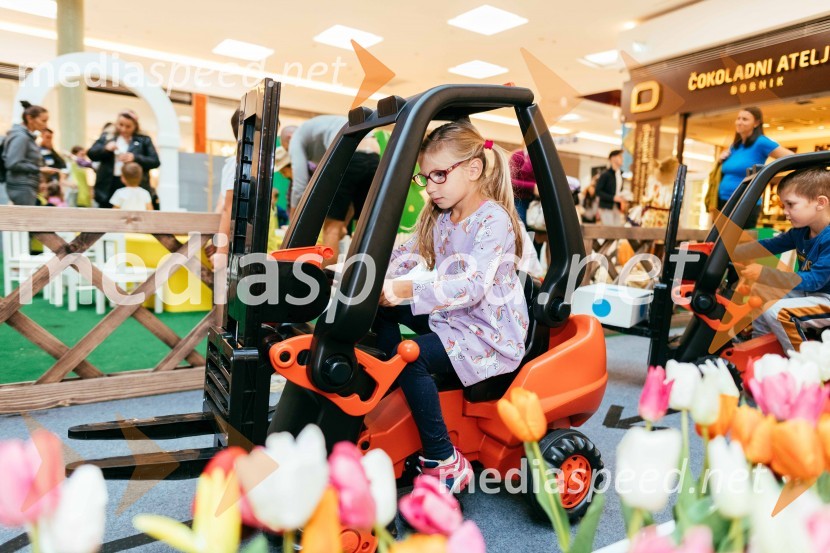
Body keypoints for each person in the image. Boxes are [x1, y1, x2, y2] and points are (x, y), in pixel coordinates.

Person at [374, 120, 528, 493]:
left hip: (489, 334)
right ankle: (391, 386)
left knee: (410, 359)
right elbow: (404, 252)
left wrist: (405, 288)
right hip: (454, 319)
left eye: (439, 175)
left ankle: (443, 458)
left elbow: (473, 286)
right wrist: (368, 270)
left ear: (473, 169)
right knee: (380, 312)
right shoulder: (442, 216)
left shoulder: (494, 220)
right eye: (425, 177)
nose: (429, 187)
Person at [738, 168, 830, 353]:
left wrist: (765, 274)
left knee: (780, 312)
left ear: (820, 203)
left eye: (791, 204)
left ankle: (803, 361)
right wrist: (729, 252)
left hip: (826, 297)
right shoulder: (800, 231)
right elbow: (770, 245)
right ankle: (761, 350)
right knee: (761, 293)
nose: (785, 212)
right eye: (784, 205)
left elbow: (815, 281)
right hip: (815, 294)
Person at [287, 115, 380, 267]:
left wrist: (293, 221)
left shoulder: (296, 138)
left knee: (331, 227)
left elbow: (300, 184)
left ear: (289, 137)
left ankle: (325, 276)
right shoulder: (318, 131)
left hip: (351, 152)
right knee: (365, 222)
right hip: (374, 155)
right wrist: (345, 223)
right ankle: (365, 273)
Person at [717, 107, 793, 228]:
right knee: (721, 238)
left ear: (756, 123)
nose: (740, 122)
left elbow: (791, 158)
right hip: (724, 200)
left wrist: (769, 172)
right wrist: (720, 159)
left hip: (745, 202)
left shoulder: (761, 142)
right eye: (738, 118)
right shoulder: (735, 146)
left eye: (745, 119)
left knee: (740, 239)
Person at [88, 110, 160, 209]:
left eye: (128, 126)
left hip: (133, 185)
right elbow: (91, 154)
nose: (123, 129)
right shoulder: (107, 137)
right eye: (120, 125)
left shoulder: (144, 140)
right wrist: (105, 149)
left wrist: (135, 157)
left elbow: (155, 161)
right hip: (108, 186)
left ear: (135, 126)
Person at [3, 101, 61, 205]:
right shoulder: (21, 137)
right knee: (25, 215)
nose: (45, 125)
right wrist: (39, 169)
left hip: (27, 186)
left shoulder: (26, 137)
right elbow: (12, 163)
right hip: (21, 186)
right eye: (43, 121)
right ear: (30, 118)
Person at [596, 149, 625, 225]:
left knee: (617, 229)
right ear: (613, 158)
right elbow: (598, 191)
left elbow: (618, 191)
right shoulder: (605, 174)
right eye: (620, 156)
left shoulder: (620, 175)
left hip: (617, 207)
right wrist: (612, 198)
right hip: (606, 207)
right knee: (609, 229)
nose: (622, 159)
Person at [509, 149, 536, 226]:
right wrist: (532, 187)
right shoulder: (518, 156)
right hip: (519, 199)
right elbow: (509, 181)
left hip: (536, 201)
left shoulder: (544, 157)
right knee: (521, 224)